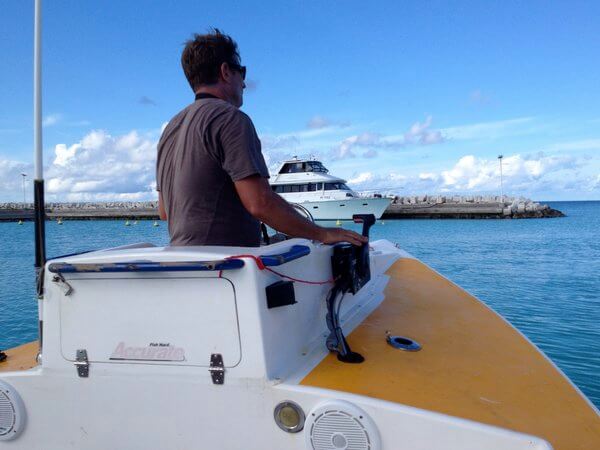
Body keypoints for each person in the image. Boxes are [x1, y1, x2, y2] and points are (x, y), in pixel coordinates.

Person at [156, 29, 366, 248]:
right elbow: (260, 203)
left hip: (183, 263)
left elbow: (164, 211)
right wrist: (323, 234)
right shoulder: (230, 118)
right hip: (226, 271)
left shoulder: (171, 128)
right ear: (226, 71)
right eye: (242, 73)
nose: (245, 84)